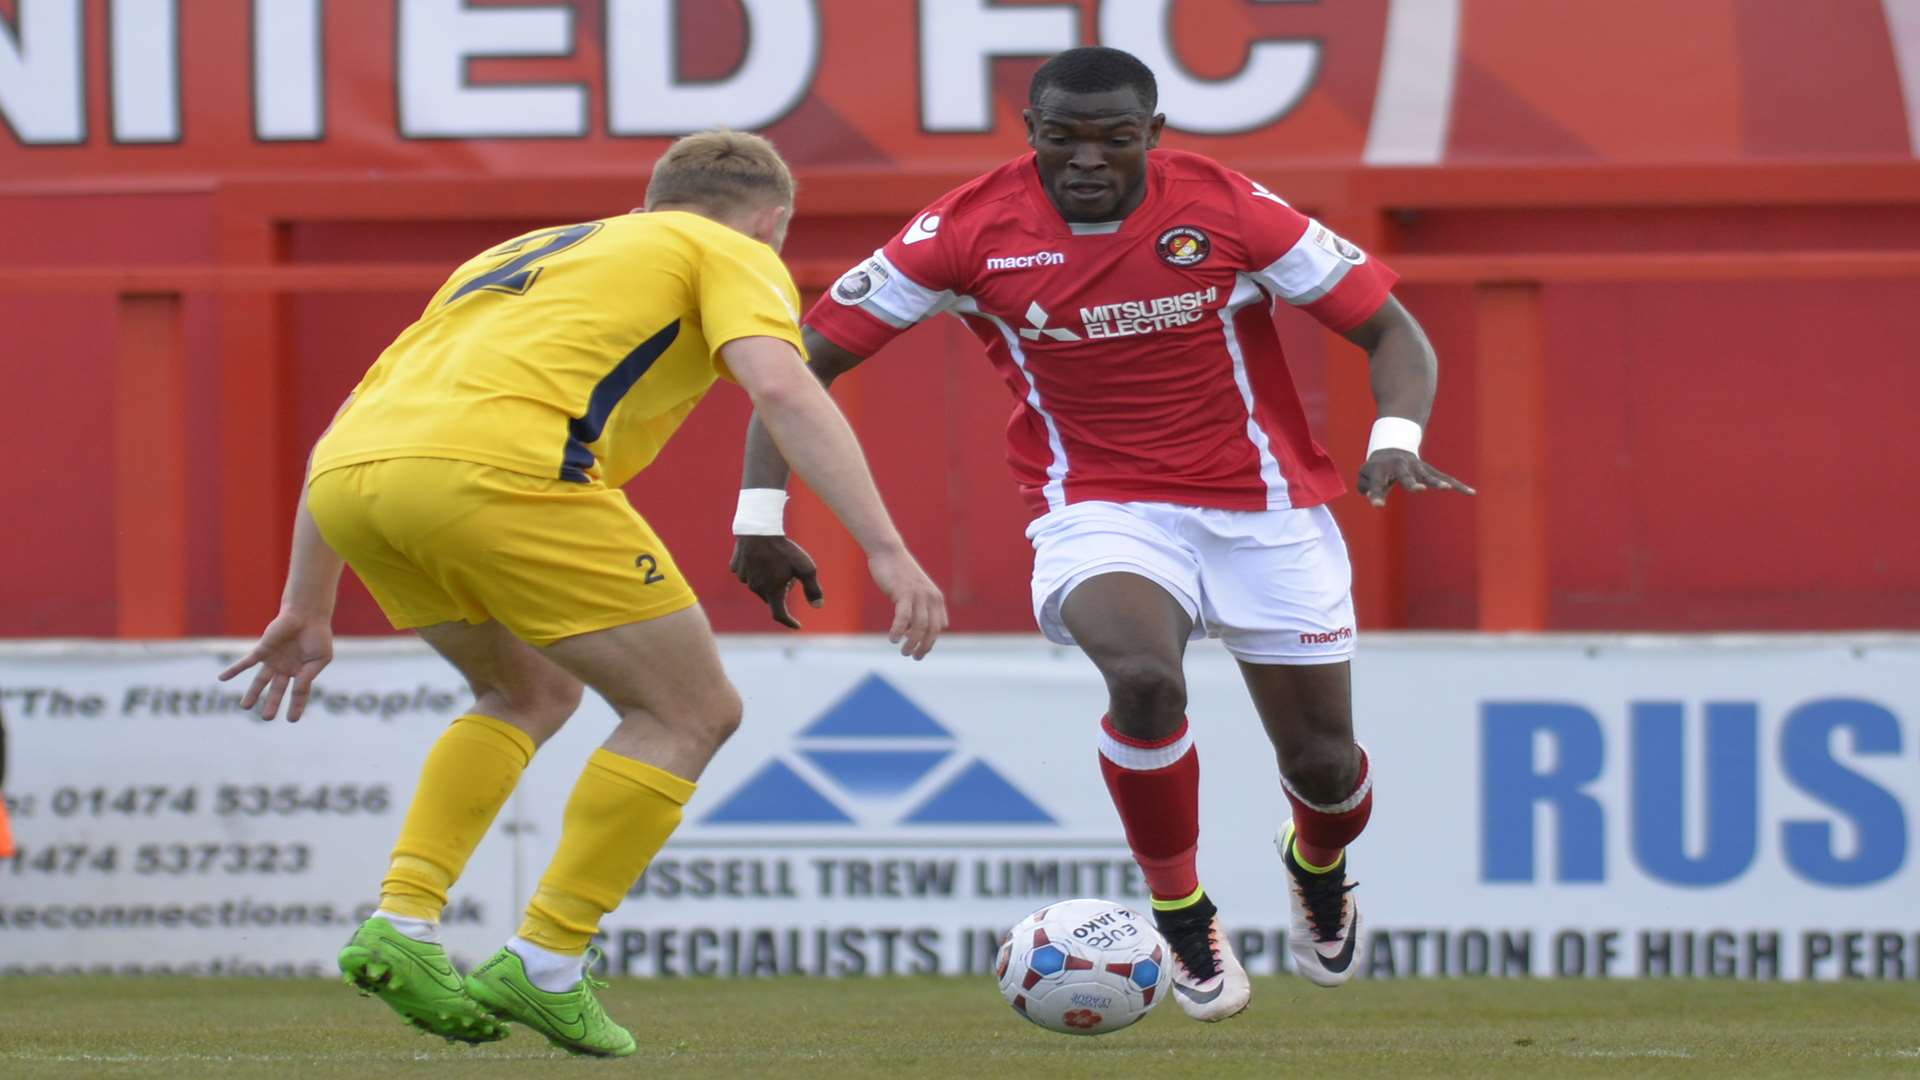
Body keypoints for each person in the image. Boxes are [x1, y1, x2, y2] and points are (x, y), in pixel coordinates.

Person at [730, 48, 1472, 1019]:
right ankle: (1181, 910)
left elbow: (1394, 333)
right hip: (1098, 506)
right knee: (1146, 679)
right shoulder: (962, 230)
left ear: (1152, 137)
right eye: (1063, 138)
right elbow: (803, 364)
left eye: (1115, 138)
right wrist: (759, 514)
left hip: (1267, 514)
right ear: (1029, 134)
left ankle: (1319, 864)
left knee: (1325, 770)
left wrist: (1395, 437)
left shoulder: (1227, 206)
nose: (1087, 159)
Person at [220, 129, 946, 1057]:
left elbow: (357, 416)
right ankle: (549, 958)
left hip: (355, 482)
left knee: (525, 691)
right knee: (690, 712)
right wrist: (885, 551)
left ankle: (403, 920)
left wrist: (307, 602)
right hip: (510, 474)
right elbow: (785, 387)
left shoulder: (517, 253)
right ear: (770, 222)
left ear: (650, 199)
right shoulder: (729, 248)